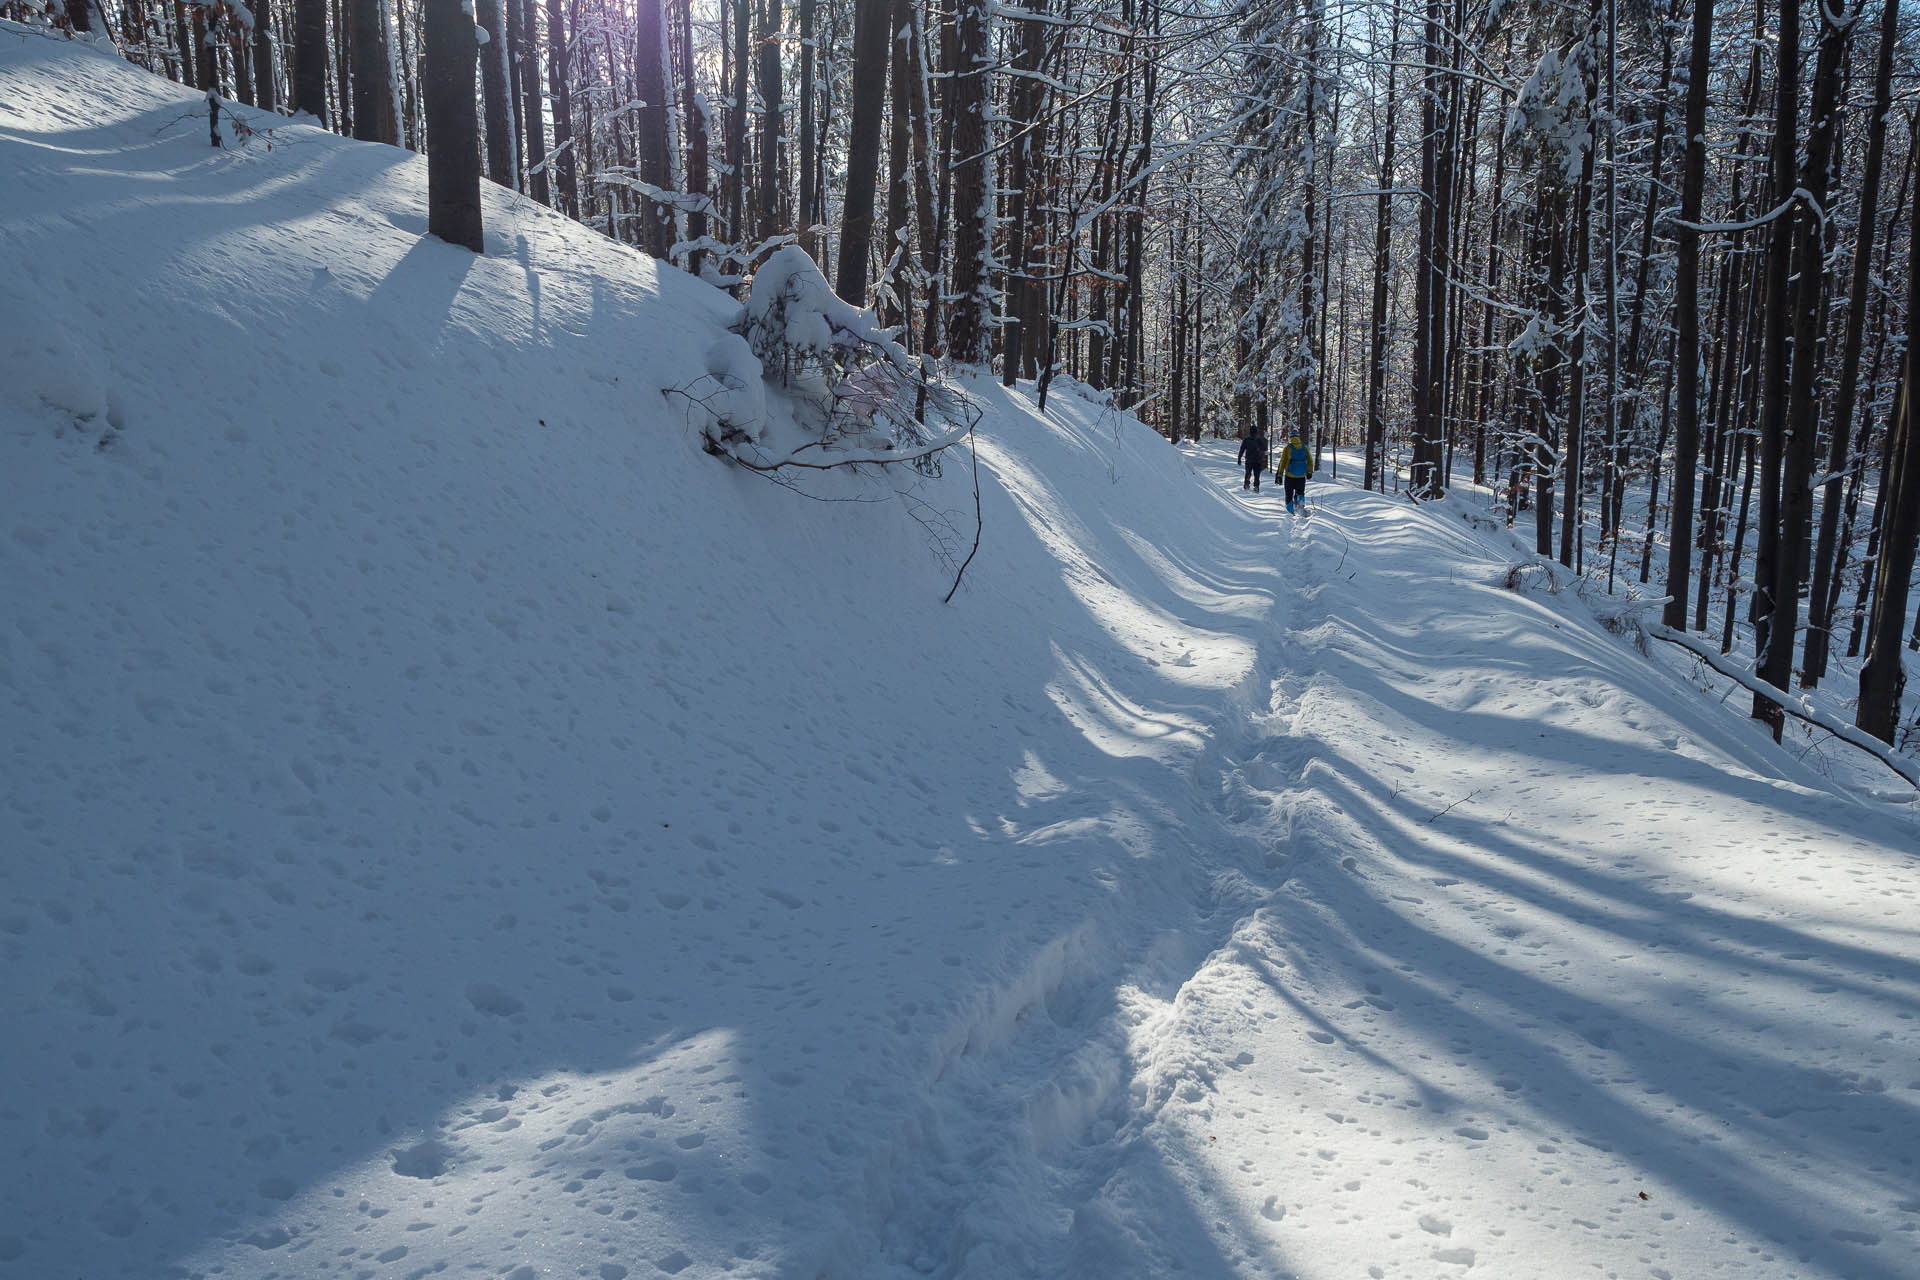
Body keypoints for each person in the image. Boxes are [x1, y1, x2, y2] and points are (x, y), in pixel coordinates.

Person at [1276, 430, 1315, 513]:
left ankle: (1290, 512)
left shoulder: (1287, 448)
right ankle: (1300, 504)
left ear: (1290, 437)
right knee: (1300, 492)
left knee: (1289, 495)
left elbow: (1282, 462)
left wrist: (1279, 474)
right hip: (1301, 476)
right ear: (1298, 437)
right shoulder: (1304, 447)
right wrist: (1309, 472)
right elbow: (1310, 460)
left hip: (1289, 476)